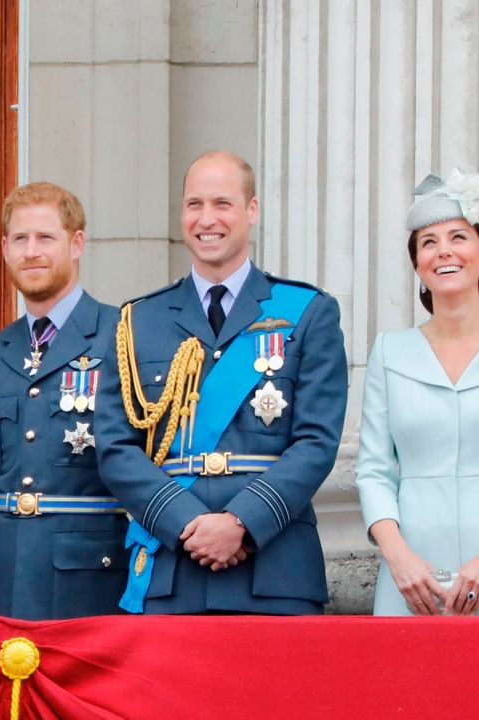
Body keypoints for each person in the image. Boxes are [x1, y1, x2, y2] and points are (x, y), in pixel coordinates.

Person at [95, 150, 347, 615]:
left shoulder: (307, 311)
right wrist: (188, 522)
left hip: (275, 570)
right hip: (172, 569)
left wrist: (241, 523)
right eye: (194, 204)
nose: (206, 219)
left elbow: (316, 442)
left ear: (252, 211)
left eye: (222, 203)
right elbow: (114, 447)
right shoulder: (138, 320)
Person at [0, 182, 127, 619]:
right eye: (20, 238)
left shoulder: (123, 336)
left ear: (77, 244)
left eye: (45, 237)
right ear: (3, 248)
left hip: (90, 574)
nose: (31, 251)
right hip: (1, 572)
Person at [357, 168, 479, 616]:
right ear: (418, 266)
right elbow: (373, 469)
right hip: (412, 577)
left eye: (458, 237)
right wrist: (398, 557)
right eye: (428, 242)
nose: (443, 250)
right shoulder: (391, 352)